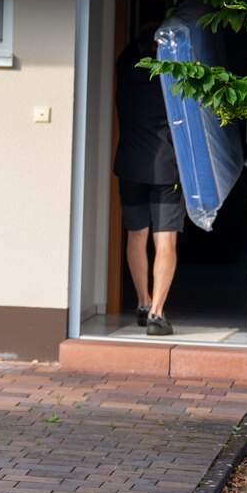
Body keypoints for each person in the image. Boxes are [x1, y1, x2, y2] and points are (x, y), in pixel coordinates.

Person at [113, 23, 180, 335]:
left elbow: (129, 55)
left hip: (130, 166)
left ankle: (142, 302)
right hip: (167, 168)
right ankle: (156, 314)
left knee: (135, 236)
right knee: (164, 240)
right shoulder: (169, 76)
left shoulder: (124, 69)